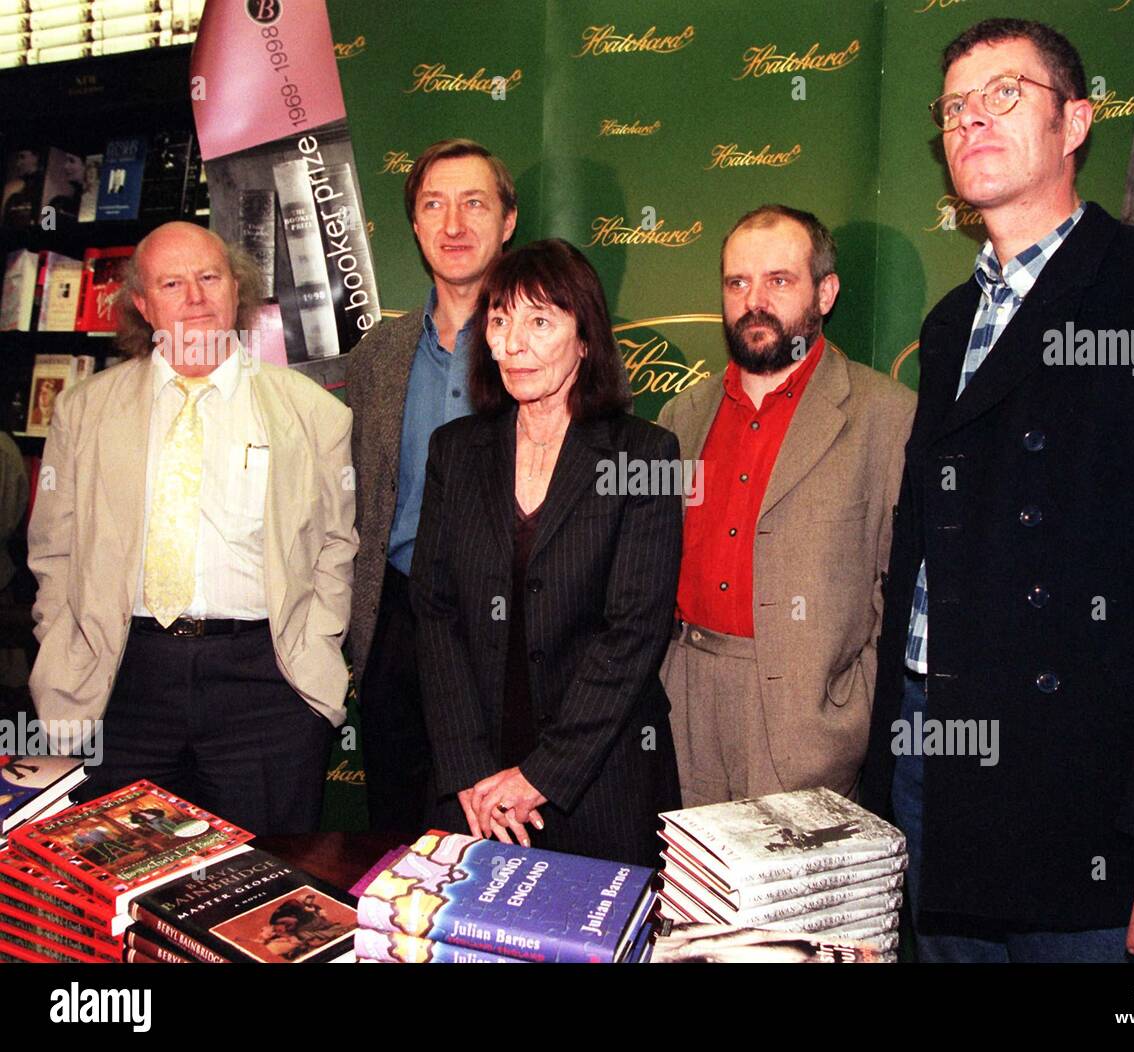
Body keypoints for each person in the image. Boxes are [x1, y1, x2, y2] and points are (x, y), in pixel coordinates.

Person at [862, 18, 1134, 963]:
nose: (972, 119)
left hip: (1101, 799)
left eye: (1005, 94)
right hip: (939, 770)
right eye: (955, 107)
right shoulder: (948, 327)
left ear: (1076, 123)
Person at [28, 221, 357, 835]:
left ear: (238, 288)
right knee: (121, 889)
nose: (197, 296)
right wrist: (64, 645)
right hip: (120, 682)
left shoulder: (314, 414)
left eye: (211, 277)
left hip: (266, 688)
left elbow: (337, 547)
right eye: (173, 283)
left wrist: (316, 646)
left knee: (264, 890)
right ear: (143, 304)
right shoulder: (83, 411)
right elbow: (54, 550)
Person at [409, 239, 681, 868]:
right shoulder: (456, 449)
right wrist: (472, 771)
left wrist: (542, 775)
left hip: (598, 781)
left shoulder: (646, 454)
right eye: (500, 321)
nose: (512, 343)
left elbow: (634, 630)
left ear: (585, 339)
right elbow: (435, 611)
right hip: (471, 785)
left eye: (539, 321)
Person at [656, 204, 915, 807]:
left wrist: (851, 710)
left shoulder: (887, 417)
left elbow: (899, 593)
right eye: (737, 282)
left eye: (779, 280)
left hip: (809, 724)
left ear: (825, 293)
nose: (754, 300)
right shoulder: (680, 418)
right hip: (682, 704)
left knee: (799, 902)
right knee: (692, 899)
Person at [346, 139, 517, 832]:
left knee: (499, 831)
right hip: (396, 623)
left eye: (474, 203)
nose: (453, 225)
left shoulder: (541, 342)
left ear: (507, 221)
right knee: (397, 826)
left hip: (508, 620)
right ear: (414, 227)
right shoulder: (377, 357)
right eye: (433, 206)